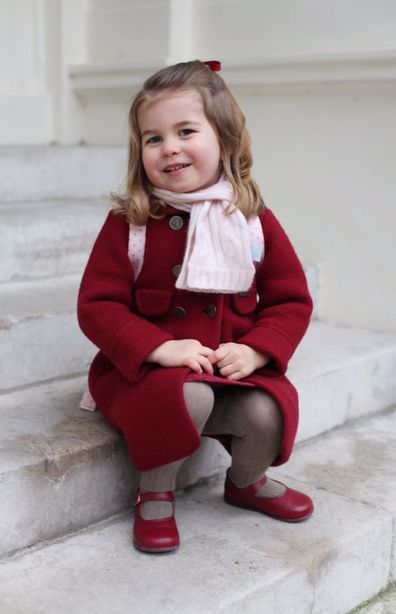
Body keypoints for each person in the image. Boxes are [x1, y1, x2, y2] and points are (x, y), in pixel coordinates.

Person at [77, 59, 314, 554]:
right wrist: (158, 348)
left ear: (224, 139)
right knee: (189, 398)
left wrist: (256, 352)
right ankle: (155, 491)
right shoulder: (133, 224)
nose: (170, 148)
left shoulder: (250, 220)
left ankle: (246, 482)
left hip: (229, 371)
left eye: (186, 130)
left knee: (268, 410)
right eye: (153, 138)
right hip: (151, 376)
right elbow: (98, 305)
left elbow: (290, 300)